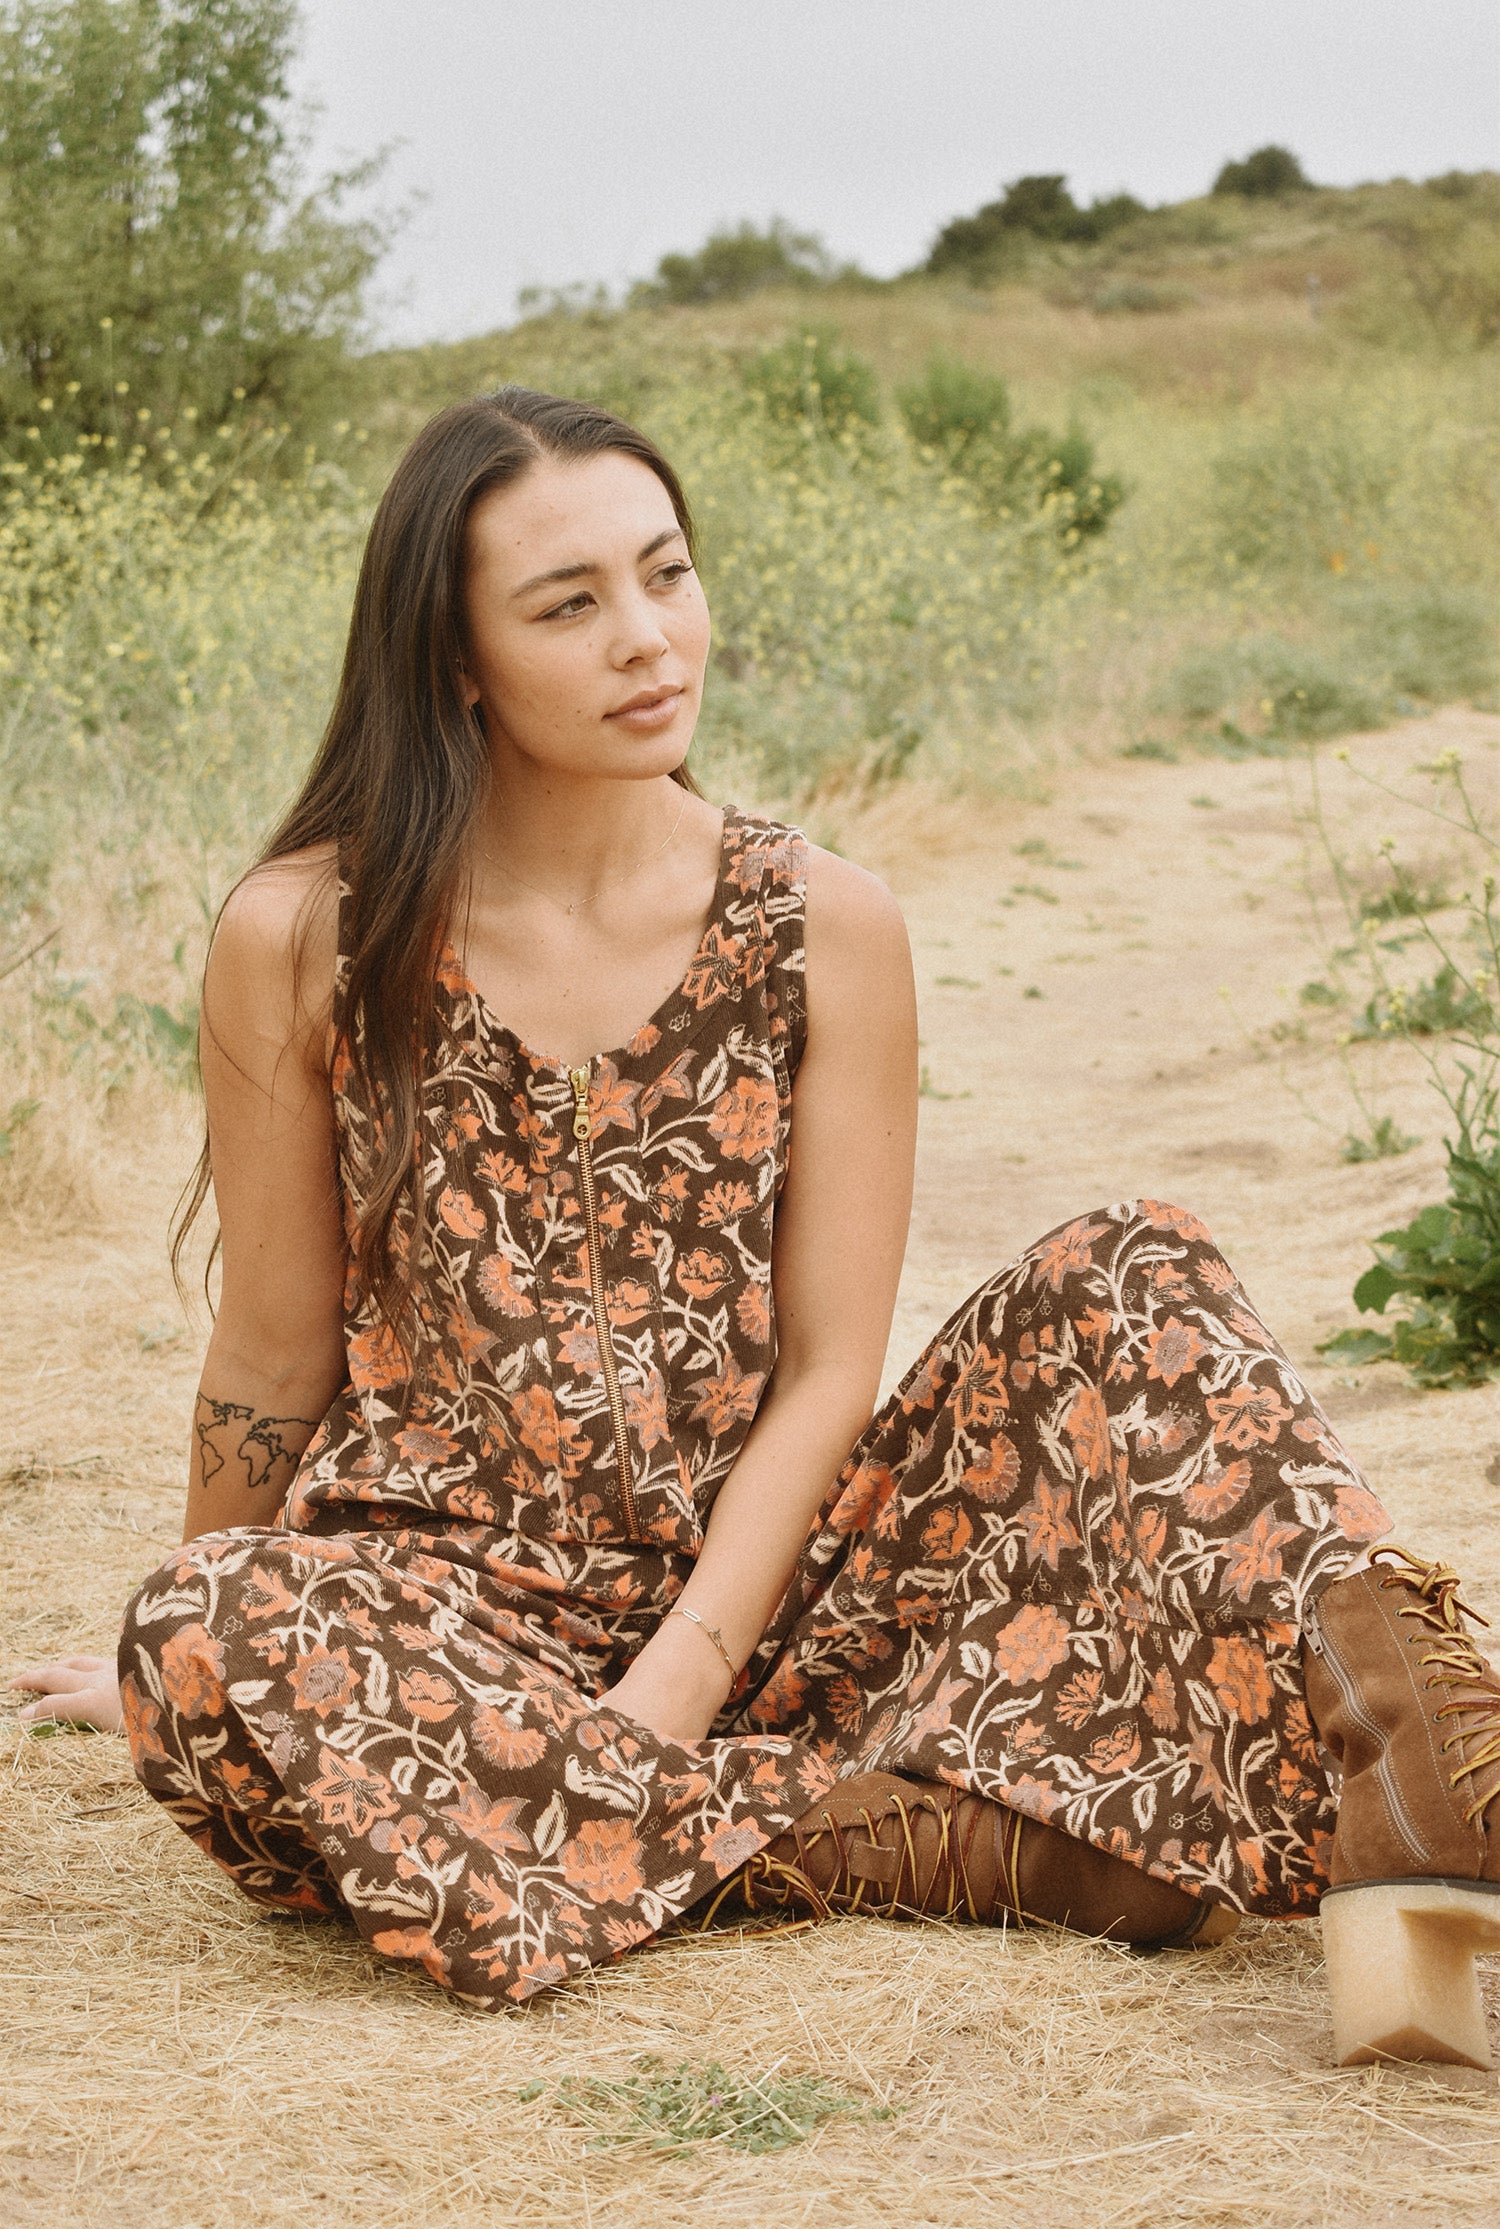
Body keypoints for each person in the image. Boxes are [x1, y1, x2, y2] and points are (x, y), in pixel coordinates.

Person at [12, 390, 1500, 2061]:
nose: (650, 639)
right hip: (452, 1614)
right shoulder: (305, 934)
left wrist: (679, 1684)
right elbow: (272, 1351)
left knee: (1134, 1267)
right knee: (213, 1640)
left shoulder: (824, 921)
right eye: (571, 605)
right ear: (455, 662)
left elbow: (829, 1368)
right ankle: (954, 1836)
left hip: (805, 1599)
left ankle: (1435, 1774)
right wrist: (193, 1598)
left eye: (667, 574)